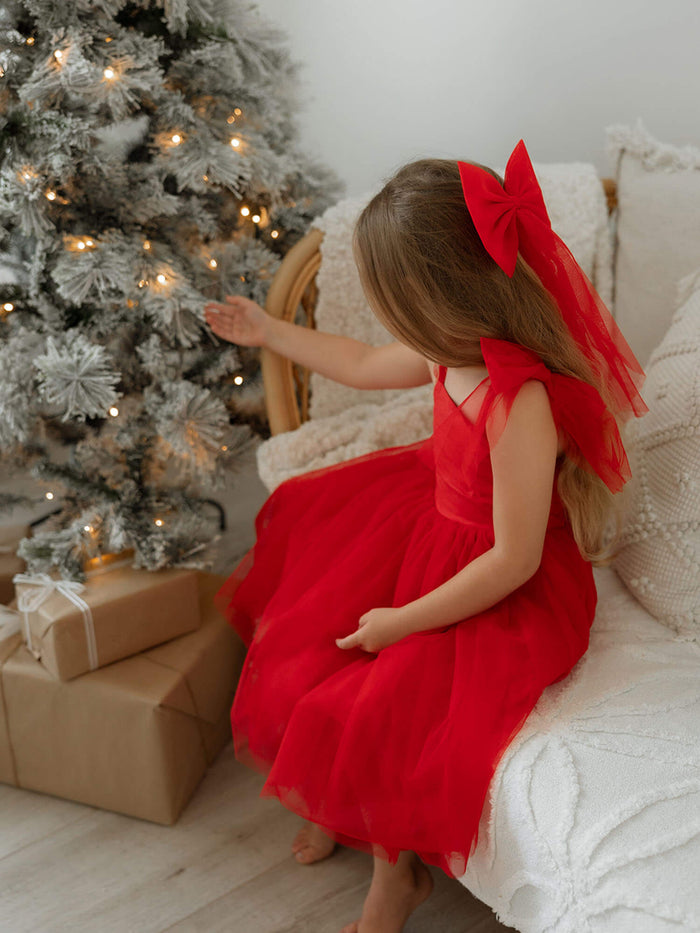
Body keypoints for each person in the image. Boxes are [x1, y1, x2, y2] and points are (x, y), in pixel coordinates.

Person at [204, 140, 647, 933]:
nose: (384, 317)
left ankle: (394, 874)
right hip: (426, 518)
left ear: (438, 297)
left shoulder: (518, 401)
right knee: (311, 619)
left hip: (496, 575)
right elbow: (361, 361)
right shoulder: (449, 351)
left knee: (390, 698)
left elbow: (512, 560)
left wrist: (405, 620)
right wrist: (269, 331)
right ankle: (335, 803)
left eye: (392, 298)